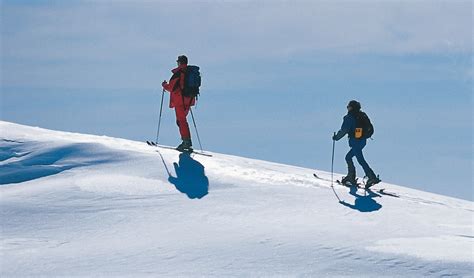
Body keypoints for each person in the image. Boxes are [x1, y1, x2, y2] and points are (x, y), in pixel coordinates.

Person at [332, 100, 381, 189]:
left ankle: (370, 177)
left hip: (355, 141)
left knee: (360, 159)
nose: (347, 108)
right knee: (348, 157)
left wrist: (336, 138)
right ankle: (352, 177)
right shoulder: (361, 115)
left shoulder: (349, 117)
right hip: (362, 141)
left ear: (351, 107)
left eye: (348, 106)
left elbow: (344, 130)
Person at [162, 55, 196, 152]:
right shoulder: (190, 72)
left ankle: (186, 142)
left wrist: (164, 85)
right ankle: (187, 141)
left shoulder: (178, 73)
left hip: (180, 101)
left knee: (181, 121)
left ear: (180, 62)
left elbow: (171, 87)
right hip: (189, 100)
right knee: (182, 121)